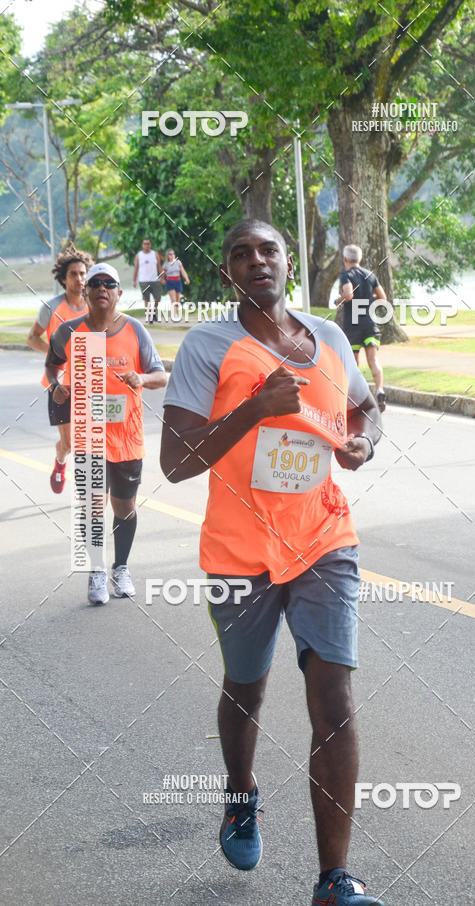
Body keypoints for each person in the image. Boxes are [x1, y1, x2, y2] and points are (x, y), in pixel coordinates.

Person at [161, 219, 385, 906]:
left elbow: (366, 407)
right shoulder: (209, 346)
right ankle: (240, 793)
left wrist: (362, 442)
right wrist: (256, 408)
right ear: (227, 271)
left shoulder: (331, 337)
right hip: (239, 553)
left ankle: (333, 879)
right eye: (240, 253)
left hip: (323, 540)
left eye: (268, 250)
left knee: (336, 704)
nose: (256, 260)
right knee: (246, 688)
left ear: (290, 262)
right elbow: (175, 462)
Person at [45, 262, 167, 605]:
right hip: (88, 435)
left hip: (127, 438)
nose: (101, 287)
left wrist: (142, 379)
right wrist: (56, 385)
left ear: (118, 293)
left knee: (124, 507)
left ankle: (121, 567)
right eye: (94, 282)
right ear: (85, 291)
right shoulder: (70, 332)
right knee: (93, 507)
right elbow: (53, 363)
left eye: (108, 283)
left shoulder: (135, 330)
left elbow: (161, 375)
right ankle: (97, 572)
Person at [27, 243, 94, 493]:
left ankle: (88, 487)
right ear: (64, 279)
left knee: (91, 439)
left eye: (83, 273)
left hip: (89, 382)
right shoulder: (51, 307)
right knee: (69, 443)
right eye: (73, 274)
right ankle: (60, 462)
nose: (79, 278)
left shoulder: (94, 306)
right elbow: (32, 337)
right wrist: (56, 355)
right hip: (59, 385)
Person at [335, 245, 387, 413]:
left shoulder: (346, 275)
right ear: (360, 259)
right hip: (370, 324)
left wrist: (339, 299)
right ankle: (380, 390)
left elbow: (348, 294)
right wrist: (367, 298)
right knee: (373, 360)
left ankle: (357, 397)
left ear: (345, 259)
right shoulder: (370, 275)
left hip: (353, 327)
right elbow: (383, 298)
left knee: (354, 363)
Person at [133, 238, 163, 324]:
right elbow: (136, 268)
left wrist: (162, 277)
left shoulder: (155, 254)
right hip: (143, 280)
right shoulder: (139, 255)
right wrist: (134, 280)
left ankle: (153, 312)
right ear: (142, 245)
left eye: (148, 244)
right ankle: (149, 317)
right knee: (147, 300)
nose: (146, 245)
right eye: (145, 244)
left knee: (157, 298)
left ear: (150, 245)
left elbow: (159, 266)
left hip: (155, 280)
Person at [163, 248, 190, 319]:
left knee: (178, 300)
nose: (172, 255)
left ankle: (176, 313)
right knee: (173, 299)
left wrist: (186, 278)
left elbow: (183, 271)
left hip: (178, 281)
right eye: (170, 254)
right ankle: (174, 315)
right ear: (167, 256)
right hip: (170, 282)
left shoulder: (178, 262)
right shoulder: (166, 264)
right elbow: (162, 274)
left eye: (173, 254)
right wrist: (162, 280)